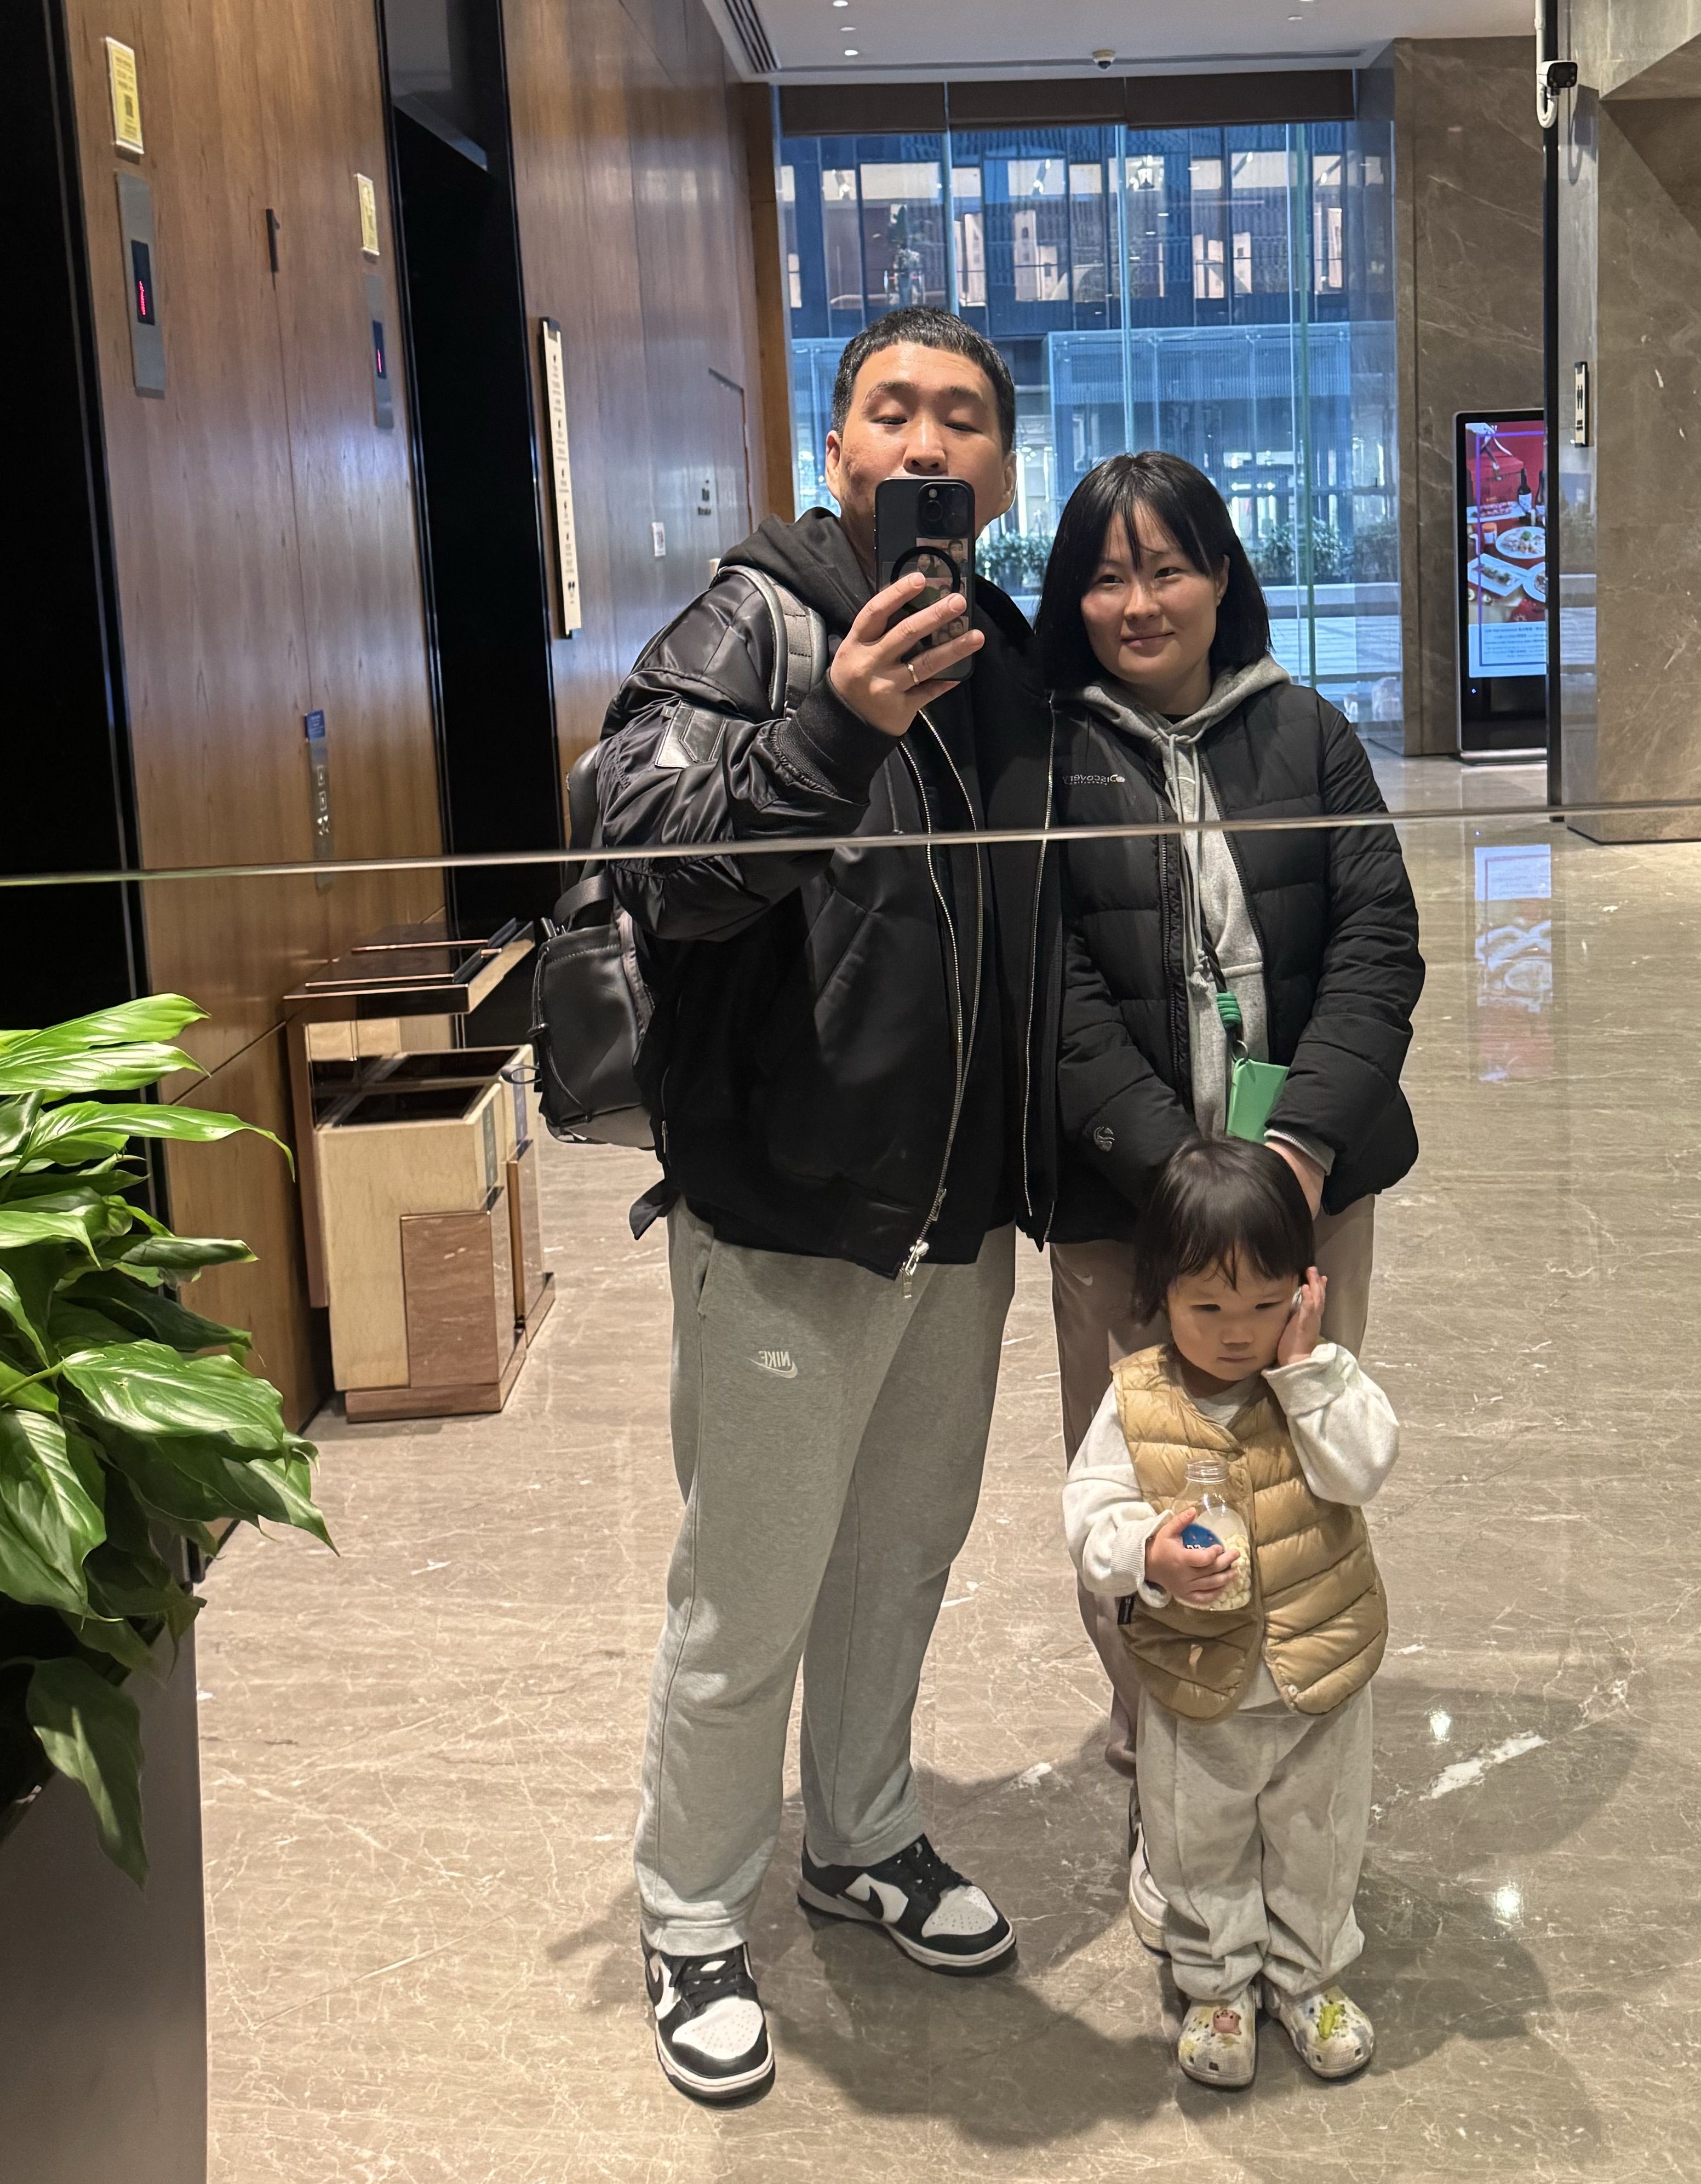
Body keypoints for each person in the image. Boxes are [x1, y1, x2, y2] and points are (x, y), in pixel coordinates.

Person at [593, 307, 1062, 2106]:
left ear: (999, 465)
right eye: (892, 409)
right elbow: (646, 855)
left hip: (956, 1203)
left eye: (962, 416)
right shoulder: (754, 619)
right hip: (791, 1198)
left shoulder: (1002, 648)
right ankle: (691, 1909)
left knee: (900, 1554)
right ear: (838, 445)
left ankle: (858, 1834)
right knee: (752, 1583)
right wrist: (835, 725)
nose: (926, 442)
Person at [1035, 451, 1422, 1942]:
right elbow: (1052, 992)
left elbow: (1379, 943)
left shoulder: (1307, 732)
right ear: (1072, 597)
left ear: (1220, 576)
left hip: (1304, 1199)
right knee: (1139, 1479)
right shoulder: (1047, 756)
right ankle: (1164, 1763)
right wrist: (1174, 1182)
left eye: (1167, 567)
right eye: (1105, 575)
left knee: (1302, 1459)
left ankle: (1299, 1748)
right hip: (1122, 1206)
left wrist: (1298, 1153)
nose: (1139, 601)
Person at [1063, 1137, 1399, 2088]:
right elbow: (1089, 1514)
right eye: (1207, 1307)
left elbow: (1362, 1470)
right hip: (1196, 1680)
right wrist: (1147, 1554)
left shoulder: (1322, 1381)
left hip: (1318, 1673)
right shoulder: (1136, 1401)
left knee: (1318, 1837)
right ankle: (1215, 1983)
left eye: (1262, 1304)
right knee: (1195, 1840)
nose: (1236, 1332)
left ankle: (1308, 1976)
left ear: (1303, 1289)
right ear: (1160, 1294)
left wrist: (1306, 1373)